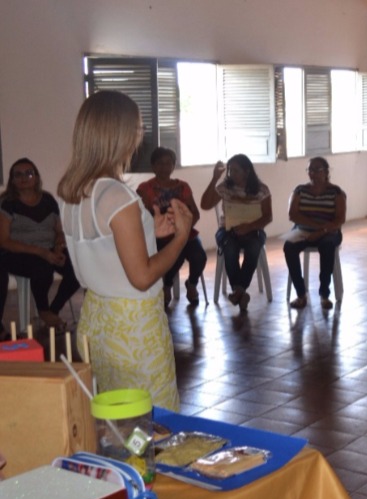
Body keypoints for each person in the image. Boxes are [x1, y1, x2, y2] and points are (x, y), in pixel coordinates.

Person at [57, 90, 194, 412]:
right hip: (133, 328)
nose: (140, 135)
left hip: (96, 321)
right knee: (155, 422)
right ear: (121, 134)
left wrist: (149, 232)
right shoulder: (117, 195)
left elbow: (101, 247)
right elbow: (142, 277)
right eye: (138, 127)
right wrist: (181, 238)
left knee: (114, 419)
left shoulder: (70, 190)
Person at [0, 158, 81, 336]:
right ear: (12, 180)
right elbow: (4, 240)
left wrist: (58, 246)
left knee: (77, 268)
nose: (24, 178)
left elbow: (59, 230)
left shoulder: (48, 200)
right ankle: (44, 310)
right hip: (17, 252)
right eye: (18, 175)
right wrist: (42, 252)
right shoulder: (7, 203)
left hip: (48, 250)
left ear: (36, 177)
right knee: (42, 266)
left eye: (29, 173)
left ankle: (53, 311)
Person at [200, 154, 273, 312]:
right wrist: (214, 179)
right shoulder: (225, 187)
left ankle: (238, 291)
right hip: (228, 230)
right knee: (230, 248)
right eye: (230, 170)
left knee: (253, 248)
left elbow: (268, 217)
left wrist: (249, 227)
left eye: (236, 171)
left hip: (253, 230)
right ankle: (240, 291)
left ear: (247, 171)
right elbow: (205, 205)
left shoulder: (261, 189)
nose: (231, 174)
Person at [136, 147, 207, 308]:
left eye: (168, 163)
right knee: (175, 253)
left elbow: (195, 213)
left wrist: (183, 229)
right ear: (153, 166)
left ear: (174, 165)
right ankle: (167, 285)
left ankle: (192, 284)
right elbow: (143, 217)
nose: (165, 167)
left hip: (185, 232)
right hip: (160, 234)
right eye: (160, 163)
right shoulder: (145, 188)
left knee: (199, 256)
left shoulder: (183, 186)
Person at [284, 157, 346, 309]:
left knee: (327, 246)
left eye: (317, 170)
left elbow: (339, 219)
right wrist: (316, 227)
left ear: (326, 172)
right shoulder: (300, 190)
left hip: (329, 232)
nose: (313, 174)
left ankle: (324, 294)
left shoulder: (336, 192)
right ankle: (301, 293)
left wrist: (322, 231)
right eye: (310, 170)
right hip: (303, 231)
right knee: (289, 247)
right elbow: (292, 215)